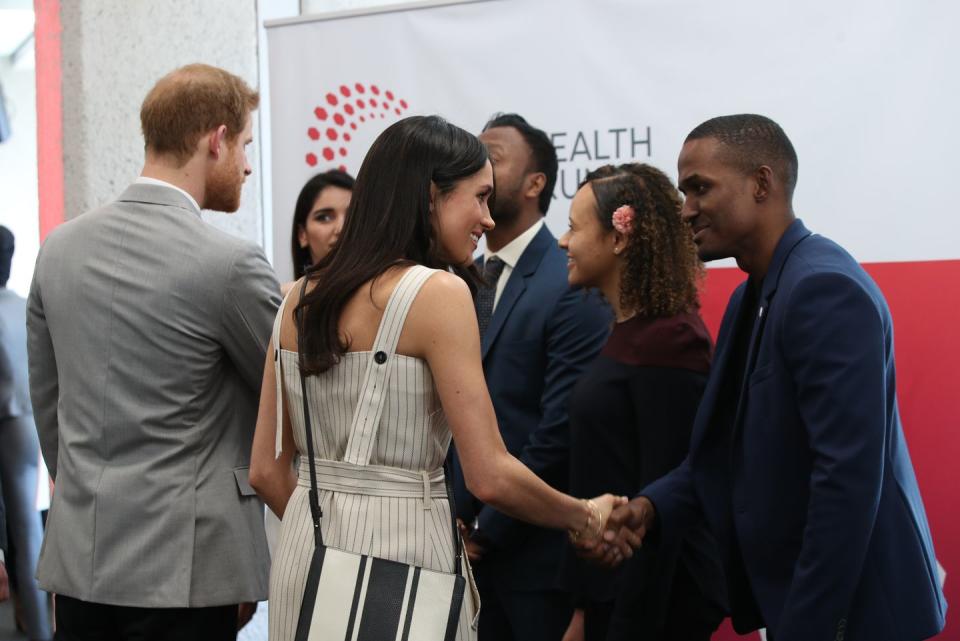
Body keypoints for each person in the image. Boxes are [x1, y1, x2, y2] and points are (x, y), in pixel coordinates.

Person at [248, 115, 623, 641]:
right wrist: (584, 516)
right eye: (479, 197)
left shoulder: (295, 299)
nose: (487, 220)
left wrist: (332, 541)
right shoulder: (438, 293)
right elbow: (489, 474)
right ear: (431, 195)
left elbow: (265, 469)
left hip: (302, 570)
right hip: (404, 569)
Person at [597, 115, 946, 641]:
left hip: (857, 616)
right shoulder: (749, 296)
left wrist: (806, 628)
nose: (686, 209)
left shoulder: (824, 288)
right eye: (683, 190)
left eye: (700, 188)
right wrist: (649, 508)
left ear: (762, 184)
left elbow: (846, 484)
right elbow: (720, 452)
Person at [26, 64, 280, 641]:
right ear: (215, 139)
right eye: (243, 145)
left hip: (81, 562)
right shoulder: (229, 264)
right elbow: (289, 398)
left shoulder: (58, 249)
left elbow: (50, 409)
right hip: (186, 572)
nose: (245, 163)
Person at [446, 113, 611, 641]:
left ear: (536, 183)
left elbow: (559, 425)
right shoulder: (457, 279)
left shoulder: (571, 278)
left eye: (492, 156)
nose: (480, 167)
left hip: (534, 560)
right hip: (455, 553)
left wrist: (487, 531)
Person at [557, 165, 725, 641]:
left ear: (619, 237)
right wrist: (585, 609)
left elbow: (665, 500)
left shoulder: (671, 340)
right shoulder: (628, 331)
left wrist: (623, 627)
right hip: (610, 598)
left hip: (650, 609)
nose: (562, 242)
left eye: (574, 226)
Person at [0, 225, 52, 640]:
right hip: (24, 422)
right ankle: (38, 630)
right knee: (26, 529)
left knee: (24, 529)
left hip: (17, 421)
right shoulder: (21, 307)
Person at [285, 168, 355, 293]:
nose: (341, 228)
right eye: (325, 217)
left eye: (352, 215)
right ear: (302, 235)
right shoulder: (282, 301)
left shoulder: (392, 295)